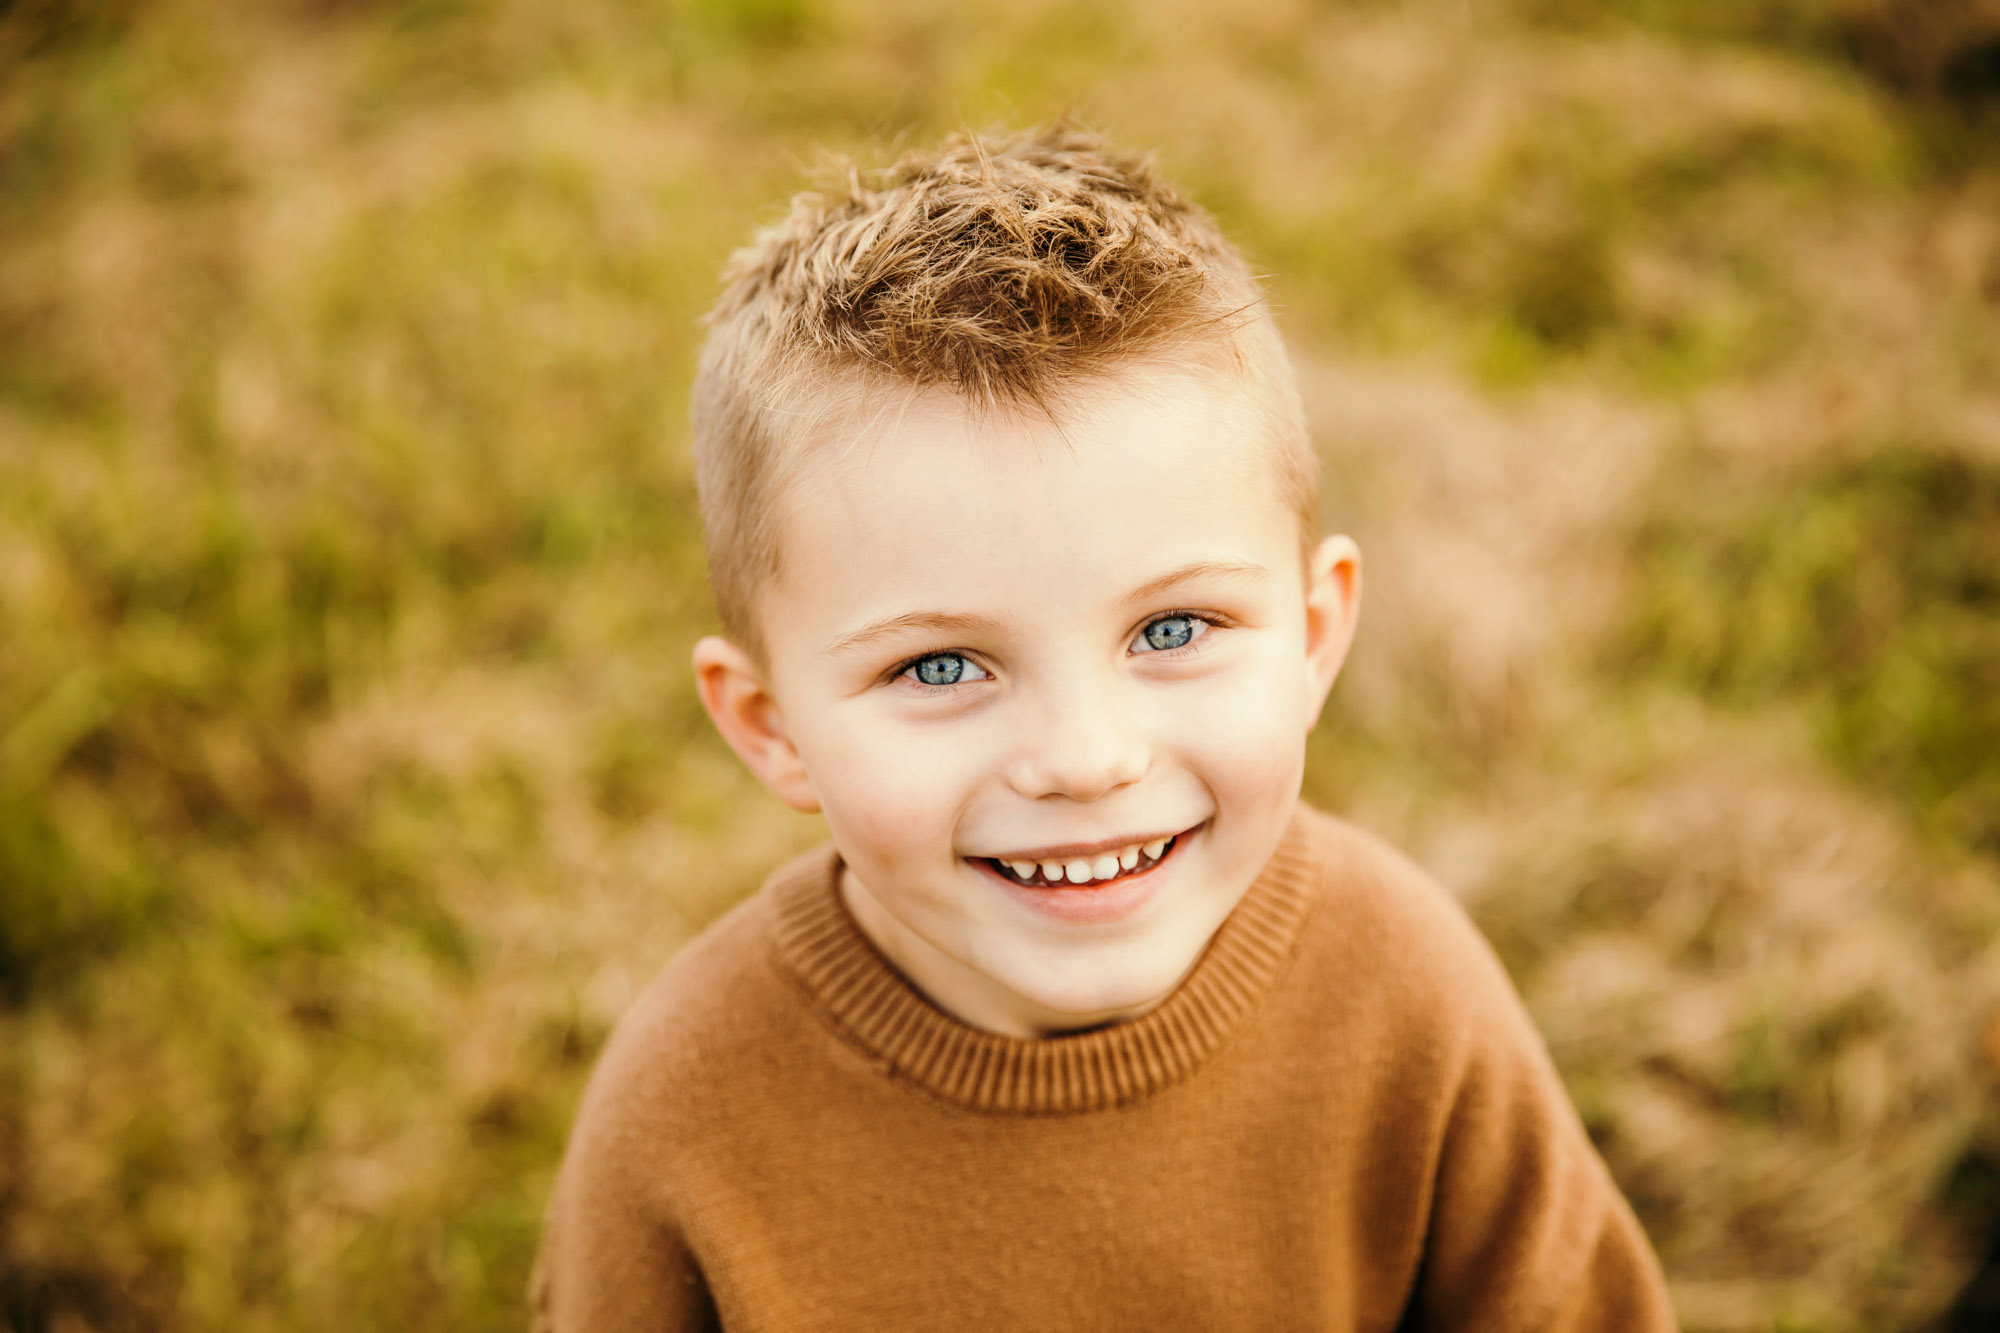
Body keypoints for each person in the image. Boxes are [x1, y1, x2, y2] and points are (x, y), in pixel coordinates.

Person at [531, 123, 1678, 1331]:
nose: (1085, 759)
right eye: (939, 664)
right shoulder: (683, 1113)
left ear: (1311, 635)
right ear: (770, 728)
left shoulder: (1405, 997)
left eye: (1172, 631)